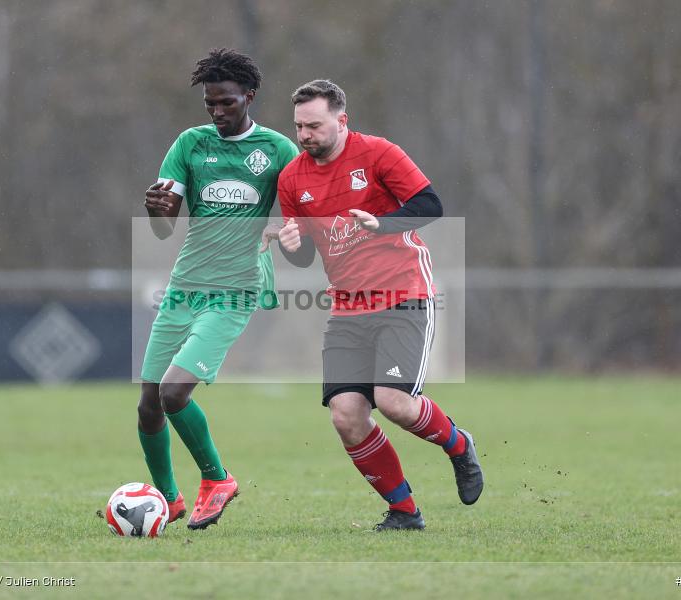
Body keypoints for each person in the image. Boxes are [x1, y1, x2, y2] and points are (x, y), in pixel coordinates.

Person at [270, 79, 483, 530]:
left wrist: (381, 223)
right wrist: (290, 245)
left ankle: (458, 445)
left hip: (403, 292)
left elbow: (430, 205)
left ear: (342, 120)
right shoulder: (291, 178)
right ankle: (404, 513)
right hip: (348, 307)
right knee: (346, 415)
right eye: (299, 126)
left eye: (314, 126)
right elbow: (305, 254)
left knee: (395, 403)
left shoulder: (379, 153)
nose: (304, 135)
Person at [138, 49, 298, 530]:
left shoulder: (278, 151)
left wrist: (289, 233)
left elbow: (302, 228)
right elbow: (164, 228)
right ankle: (169, 499)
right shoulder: (190, 144)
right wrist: (156, 211)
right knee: (149, 406)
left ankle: (217, 479)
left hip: (236, 288)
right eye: (210, 102)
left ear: (249, 96)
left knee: (173, 392)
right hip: (185, 285)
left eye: (226, 101)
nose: (217, 111)